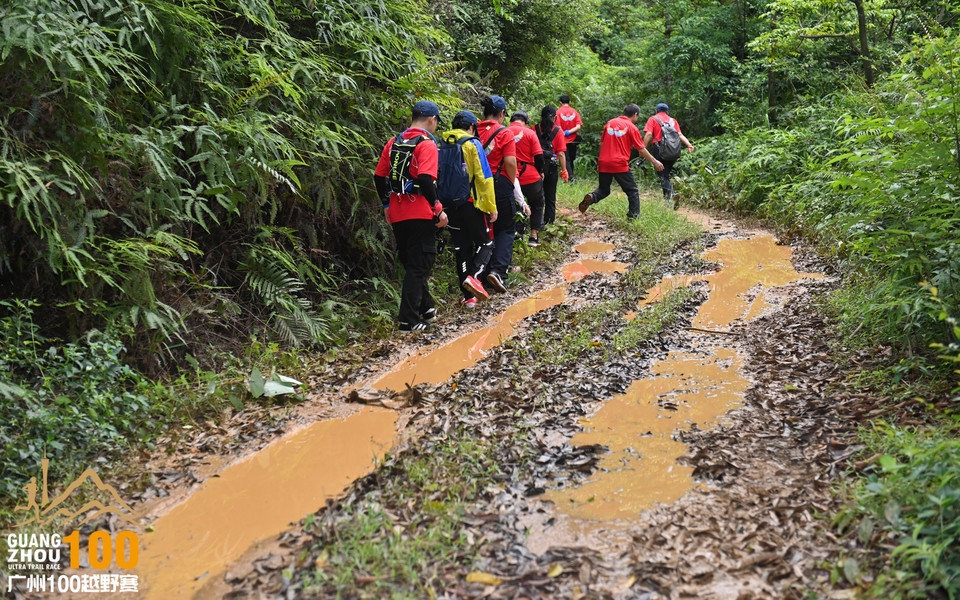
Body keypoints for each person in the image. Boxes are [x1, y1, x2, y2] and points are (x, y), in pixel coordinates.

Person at [373, 100, 448, 332]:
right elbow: (426, 179)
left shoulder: (394, 141)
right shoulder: (426, 144)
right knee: (420, 263)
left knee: (411, 262)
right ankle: (408, 320)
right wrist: (437, 208)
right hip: (420, 212)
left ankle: (426, 308)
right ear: (432, 119)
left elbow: (378, 176)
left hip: (397, 211)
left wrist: (386, 203)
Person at [439, 110, 498, 309]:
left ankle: (468, 298)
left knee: (461, 248)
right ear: (472, 127)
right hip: (472, 202)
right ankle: (474, 278)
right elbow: (484, 177)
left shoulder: (442, 144)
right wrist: (491, 207)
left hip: (449, 205)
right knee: (486, 243)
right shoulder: (473, 144)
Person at [579, 103, 663, 219]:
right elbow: (642, 150)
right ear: (635, 115)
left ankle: (592, 197)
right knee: (632, 190)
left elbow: (601, 143)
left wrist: (601, 161)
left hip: (604, 162)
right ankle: (633, 217)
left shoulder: (610, 123)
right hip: (619, 163)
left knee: (603, 190)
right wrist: (655, 161)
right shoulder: (632, 127)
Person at [476, 95, 518, 293]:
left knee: (481, 228)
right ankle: (498, 271)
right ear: (502, 114)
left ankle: (479, 273)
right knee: (505, 228)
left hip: (475, 186)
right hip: (498, 183)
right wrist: (510, 182)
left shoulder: (472, 128)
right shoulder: (504, 132)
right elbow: (510, 162)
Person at [643, 103, 695, 208]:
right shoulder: (673, 121)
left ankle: (672, 194)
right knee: (665, 175)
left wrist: (642, 148)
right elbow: (680, 135)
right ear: (667, 112)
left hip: (660, 150)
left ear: (656, 111)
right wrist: (689, 145)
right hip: (673, 151)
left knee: (662, 176)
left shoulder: (653, 119)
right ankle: (667, 201)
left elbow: (648, 134)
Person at [507, 110, 547, 247]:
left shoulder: (503, 132)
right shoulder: (530, 133)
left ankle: (517, 237)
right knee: (537, 203)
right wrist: (540, 171)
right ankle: (533, 236)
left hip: (508, 176)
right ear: (527, 122)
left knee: (515, 206)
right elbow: (539, 157)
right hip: (530, 176)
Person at [534, 106, 569, 229]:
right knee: (550, 196)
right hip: (552, 168)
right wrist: (564, 171)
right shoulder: (558, 131)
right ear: (555, 118)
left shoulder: (534, 129)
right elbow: (560, 153)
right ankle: (549, 222)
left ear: (541, 117)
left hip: (536, 168)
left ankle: (537, 223)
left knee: (537, 196)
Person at [556, 94, 583, 181]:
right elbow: (578, 126)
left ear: (560, 102)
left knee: (566, 158)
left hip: (562, 140)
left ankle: (570, 177)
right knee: (571, 158)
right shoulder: (575, 112)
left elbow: (557, 127)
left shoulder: (558, 113)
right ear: (570, 102)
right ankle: (571, 175)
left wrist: (563, 133)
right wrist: (569, 132)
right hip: (573, 139)